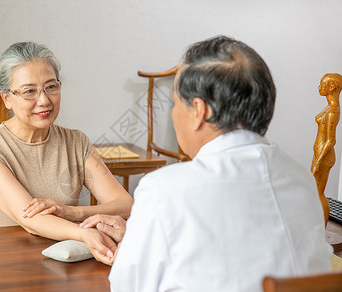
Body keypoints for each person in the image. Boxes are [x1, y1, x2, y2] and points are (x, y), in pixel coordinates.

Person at [80, 36, 333, 291]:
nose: (173, 114)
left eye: (176, 103)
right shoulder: (301, 179)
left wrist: (135, 245)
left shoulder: (164, 190)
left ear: (199, 111)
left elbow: (128, 286)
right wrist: (141, 237)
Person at [0, 42, 133, 259]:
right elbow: (31, 219)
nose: (44, 100)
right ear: (7, 98)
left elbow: (125, 204)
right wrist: (83, 232)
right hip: (4, 260)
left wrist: (73, 212)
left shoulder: (76, 142)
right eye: (29, 92)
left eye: (51, 87)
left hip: (66, 257)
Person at [311, 73, 342, 225]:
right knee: (315, 192)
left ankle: (321, 229)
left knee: (318, 193)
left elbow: (331, 140)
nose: (319, 87)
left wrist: (318, 161)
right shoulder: (330, 107)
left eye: (322, 84)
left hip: (324, 156)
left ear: (331, 87)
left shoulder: (333, 110)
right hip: (320, 154)